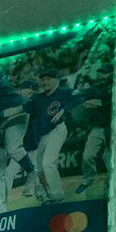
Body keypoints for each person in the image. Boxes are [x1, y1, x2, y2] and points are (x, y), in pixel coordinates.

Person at [23, 68, 84, 203]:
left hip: (58, 129)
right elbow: (22, 108)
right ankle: (48, 195)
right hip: (43, 136)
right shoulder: (38, 98)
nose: (45, 82)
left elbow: (80, 97)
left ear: (57, 79)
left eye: (48, 79)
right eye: (43, 79)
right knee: (39, 168)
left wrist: (63, 109)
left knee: (48, 162)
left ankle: (58, 195)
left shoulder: (64, 92)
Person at [75, 62, 113, 194]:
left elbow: (110, 102)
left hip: (112, 128)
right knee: (87, 156)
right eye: (100, 72)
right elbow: (78, 94)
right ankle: (88, 180)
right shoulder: (96, 88)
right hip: (97, 128)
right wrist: (82, 77)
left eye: (105, 72)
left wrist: (99, 103)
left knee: (109, 158)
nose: (101, 74)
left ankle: (112, 185)